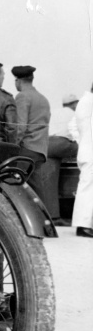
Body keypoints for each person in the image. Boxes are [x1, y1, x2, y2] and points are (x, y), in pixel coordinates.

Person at [12, 65, 51, 203]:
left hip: (26, 150)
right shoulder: (43, 99)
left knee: (13, 186)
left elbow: (20, 127)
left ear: (18, 81)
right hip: (40, 151)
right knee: (36, 190)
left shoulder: (22, 96)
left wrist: (13, 146)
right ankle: (43, 220)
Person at [42, 94, 80, 226]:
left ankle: (54, 216)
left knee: (50, 181)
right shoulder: (75, 114)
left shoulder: (56, 112)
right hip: (61, 144)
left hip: (47, 145)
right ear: (74, 104)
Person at [72, 85, 93, 237]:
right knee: (87, 189)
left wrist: (83, 141)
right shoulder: (89, 102)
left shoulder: (85, 101)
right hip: (90, 152)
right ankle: (83, 225)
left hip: (87, 150)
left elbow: (73, 126)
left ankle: (85, 223)